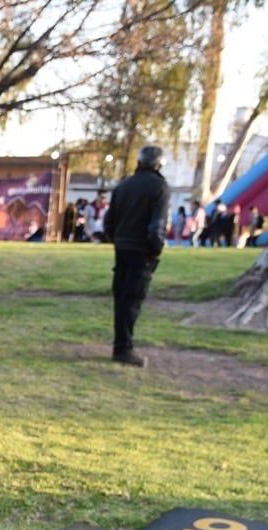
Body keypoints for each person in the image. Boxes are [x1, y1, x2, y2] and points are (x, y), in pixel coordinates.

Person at [104, 144, 169, 368]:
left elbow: (108, 223)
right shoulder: (159, 187)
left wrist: (118, 240)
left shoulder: (123, 186)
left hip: (122, 248)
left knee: (121, 298)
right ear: (158, 163)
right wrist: (156, 249)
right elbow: (157, 225)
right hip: (141, 250)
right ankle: (123, 348)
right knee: (132, 300)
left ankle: (120, 344)